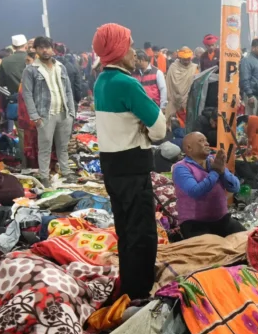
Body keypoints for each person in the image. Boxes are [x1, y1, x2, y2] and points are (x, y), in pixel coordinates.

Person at [93, 23, 167, 299]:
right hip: (133, 165)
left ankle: (129, 284)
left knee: (125, 229)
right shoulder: (127, 83)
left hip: (112, 165)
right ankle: (139, 292)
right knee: (142, 232)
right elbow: (159, 127)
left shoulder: (101, 81)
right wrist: (147, 131)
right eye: (130, 44)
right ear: (118, 49)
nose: (134, 50)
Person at [21, 36, 77, 181]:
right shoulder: (31, 70)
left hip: (64, 113)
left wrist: (71, 112)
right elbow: (27, 94)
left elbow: (68, 90)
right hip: (45, 115)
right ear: (36, 50)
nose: (45, 50)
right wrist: (35, 116)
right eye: (41, 48)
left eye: (47, 47)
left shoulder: (60, 67)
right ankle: (44, 176)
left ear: (52, 49)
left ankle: (66, 171)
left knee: (63, 147)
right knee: (45, 148)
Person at [172, 132, 244, 239]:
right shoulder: (181, 167)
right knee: (212, 247)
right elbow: (195, 192)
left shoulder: (213, 161)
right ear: (189, 148)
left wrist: (222, 171)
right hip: (194, 224)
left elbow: (235, 187)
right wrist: (215, 172)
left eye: (206, 140)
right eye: (201, 141)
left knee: (248, 240)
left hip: (222, 219)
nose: (207, 143)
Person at [0, 34, 29, 133]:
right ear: (26, 45)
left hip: (16, 100)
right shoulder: (31, 59)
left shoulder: (5, 61)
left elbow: (1, 82)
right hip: (33, 99)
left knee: (21, 131)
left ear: (13, 46)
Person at [166, 47, 197, 126]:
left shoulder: (194, 68)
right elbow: (169, 85)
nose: (187, 61)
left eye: (188, 59)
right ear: (180, 58)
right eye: (184, 59)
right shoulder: (173, 68)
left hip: (189, 102)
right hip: (174, 102)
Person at [240, 38, 258, 117]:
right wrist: (250, 95)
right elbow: (245, 79)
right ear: (253, 48)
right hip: (252, 96)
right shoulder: (246, 60)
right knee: (251, 119)